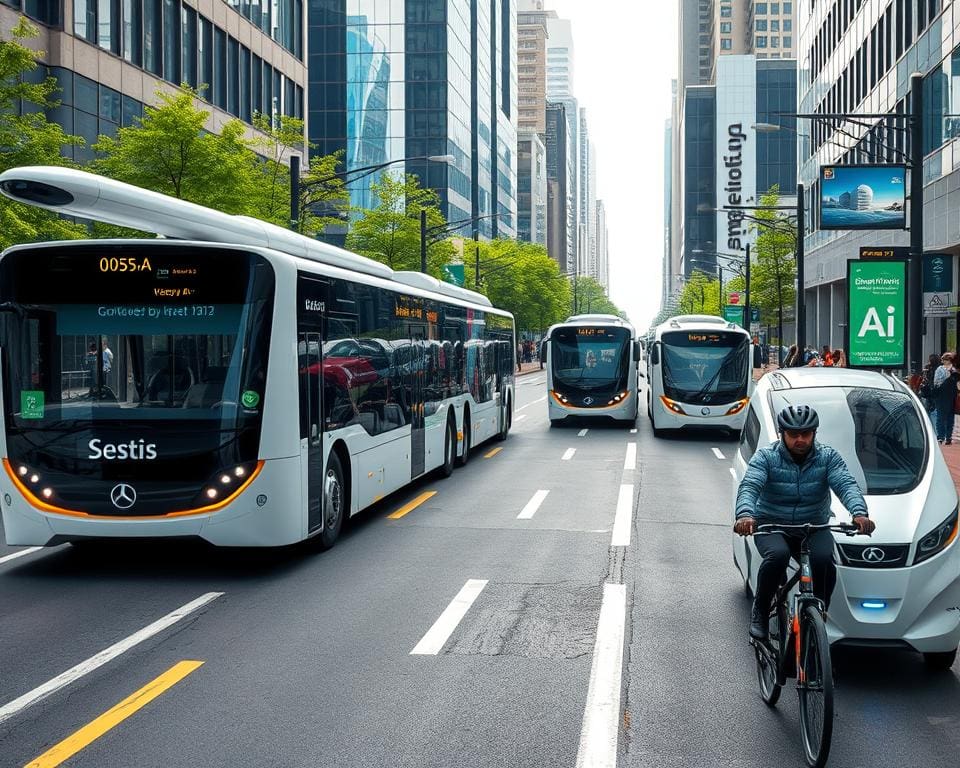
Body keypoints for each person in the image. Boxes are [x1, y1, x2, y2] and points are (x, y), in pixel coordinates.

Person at [734, 404, 875, 640]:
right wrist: (746, 515)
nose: (800, 439)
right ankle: (760, 611)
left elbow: (846, 484)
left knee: (824, 561)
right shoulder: (766, 457)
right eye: (793, 435)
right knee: (777, 556)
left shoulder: (828, 457)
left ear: (814, 434)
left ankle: (817, 615)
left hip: (812, 525)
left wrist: (859, 513)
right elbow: (750, 486)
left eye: (806, 434)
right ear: (782, 434)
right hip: (772, 524)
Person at [932, 352, 960, 444]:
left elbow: (957, 383)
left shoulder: (954, 370)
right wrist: (946, 377)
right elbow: (936, 382)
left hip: (951, 396)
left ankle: (948, 437)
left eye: (945, 359)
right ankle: (941, 436)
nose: (944, 361)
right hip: (941, 396)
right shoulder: (940, 369)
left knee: (950, 417)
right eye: (944, 359)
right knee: (941, 417)